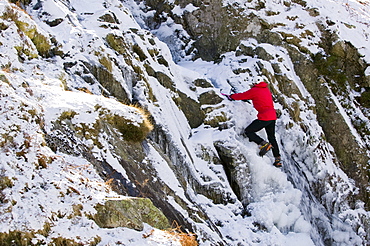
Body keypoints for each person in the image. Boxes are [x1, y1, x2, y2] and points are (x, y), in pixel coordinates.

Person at [225, 81, 282, 167]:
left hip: (264, 116)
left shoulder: (255, 90)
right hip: (272, 116)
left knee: (249, 131)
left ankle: (264, 144)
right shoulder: (266, 89)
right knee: (272, 137)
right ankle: (277, 159)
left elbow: (243, 95)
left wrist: (231, 96)